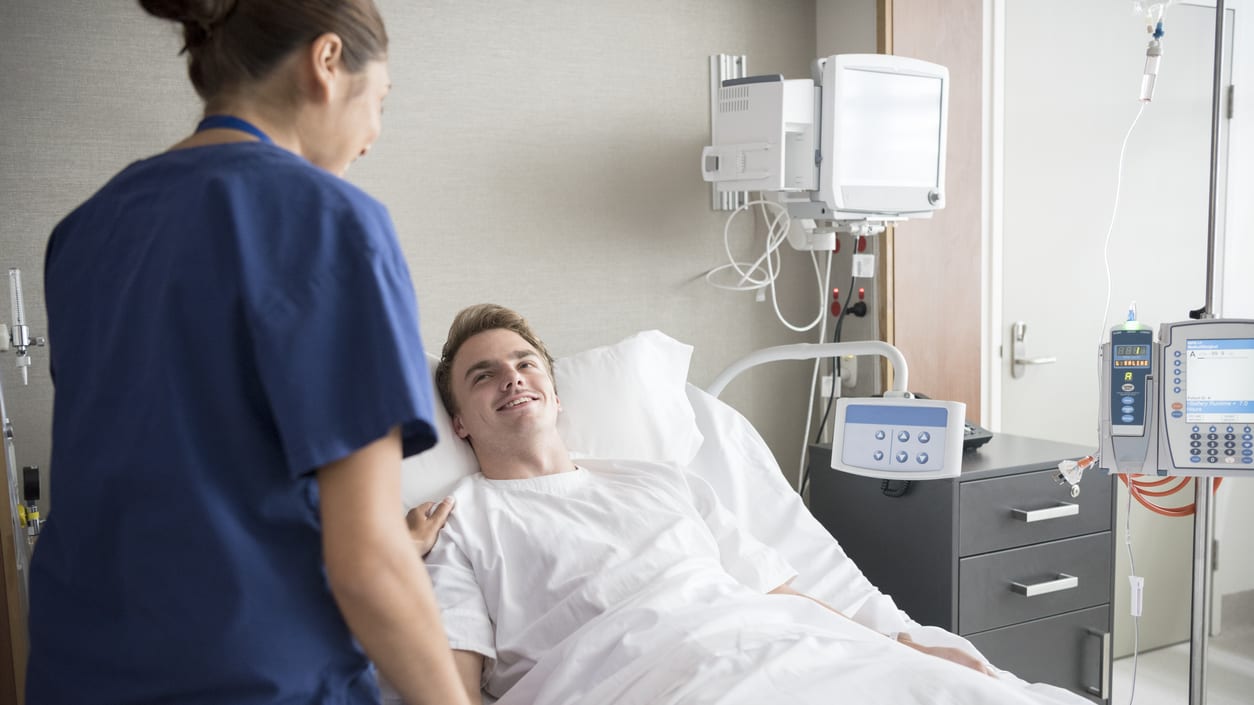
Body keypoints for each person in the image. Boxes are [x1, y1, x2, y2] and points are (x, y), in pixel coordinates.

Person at [26, 2, 468, 704]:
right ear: (326, 63)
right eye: (379, 101)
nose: (373, 136)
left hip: (74, 670)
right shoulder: (333, 222)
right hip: (252, 677)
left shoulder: (82, 231)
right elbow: (369, 561)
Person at [410, 304, 1089, 705]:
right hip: (657, 682)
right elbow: (454, 685)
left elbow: (783, 589)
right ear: (461, 422)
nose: (513, 378)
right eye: (484, 374)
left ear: (557, 395)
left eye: (526, 363)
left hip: (786, 648)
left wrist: (904, 642)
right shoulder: (463, 520)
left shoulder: (658, 479)